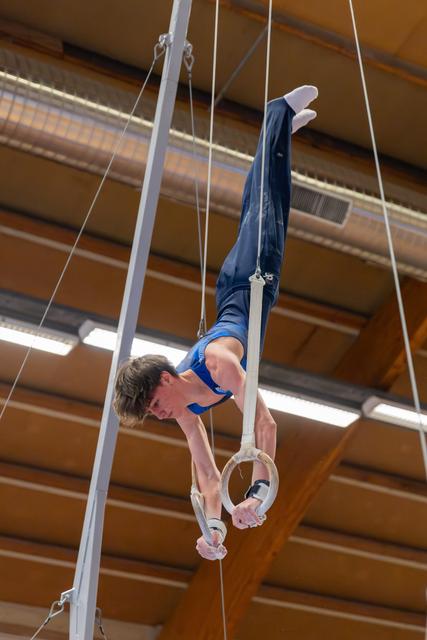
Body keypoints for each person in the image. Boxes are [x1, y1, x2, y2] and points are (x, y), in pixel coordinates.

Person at [114, 86, 318, 561]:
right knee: (261, 207)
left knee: (268, 207)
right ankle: (280, 131)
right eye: (150, 412)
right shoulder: (186, 411)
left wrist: (259, 493)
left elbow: (264, 424)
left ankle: (277, 113)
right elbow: (207, 477)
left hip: (250, 282)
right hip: (243, 292)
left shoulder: (218, 363)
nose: (157, 413)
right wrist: (213, 528)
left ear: (165, 379)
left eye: (153, 402)